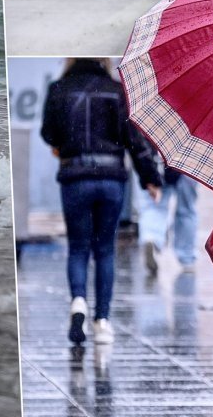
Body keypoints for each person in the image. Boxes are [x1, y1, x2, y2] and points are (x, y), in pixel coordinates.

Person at [41, 57, 163, 346]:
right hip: (111, 179)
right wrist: (151, 177)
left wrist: (62, 144)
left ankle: (79, 302)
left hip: (75, 177)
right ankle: (103, 322)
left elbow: (48, 132)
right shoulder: (117, 90)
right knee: (105, 250)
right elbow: (133, 139)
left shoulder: (59, 88)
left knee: (78, 248)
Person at [138, 165, 198, 274]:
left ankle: (150, 236)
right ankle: (187, 258)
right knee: (186, 211)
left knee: (154, 206)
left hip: (159, 161)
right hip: (189, 164)